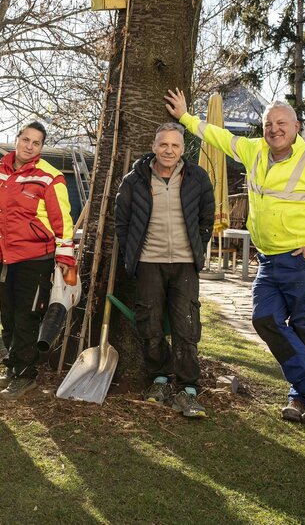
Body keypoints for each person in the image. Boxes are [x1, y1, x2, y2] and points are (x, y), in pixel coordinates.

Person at [165, 88, 305, 422]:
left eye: (282, 123)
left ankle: (299, 399)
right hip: (268, 261)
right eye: (268, 124)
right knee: (263, 318)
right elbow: (219, 137)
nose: (274, 129)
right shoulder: (254, 151)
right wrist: (185, 118)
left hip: (304, 262)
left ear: (296, 127)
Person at [114, 123, 215, 418]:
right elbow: (122, 221)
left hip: (185, 263)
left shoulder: (197, 177)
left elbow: (206, 217)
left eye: (174, 145)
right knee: (150, 322)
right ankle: (159, 380)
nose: (168, 150)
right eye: (163, 145)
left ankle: (188, 389)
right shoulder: (134, 179)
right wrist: (134, 250)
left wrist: (196, 246)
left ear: (182, 149)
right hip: (148, 261)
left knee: (186, 325)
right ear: (154, 146)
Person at [0, 122, 75, 399]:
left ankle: (26, 375)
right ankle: (12, 366)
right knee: (7, 314)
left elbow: (62, 220)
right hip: (2, 258)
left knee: (27, 315)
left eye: (36, 142)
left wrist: (64, 254)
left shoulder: (50, 177)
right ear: (17, 139)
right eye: (26, 139)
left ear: (41, 148)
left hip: (35, 258)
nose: (29, 145)